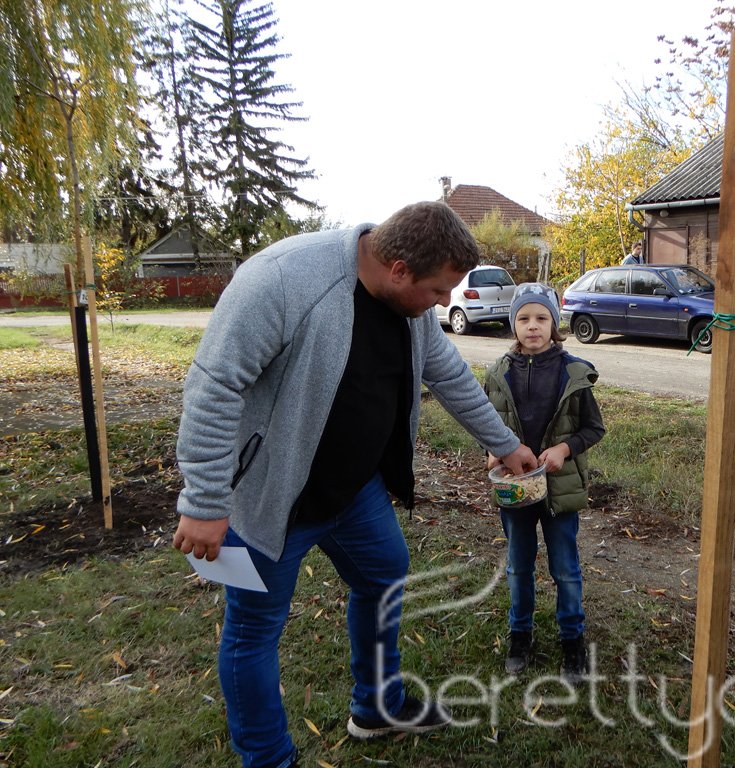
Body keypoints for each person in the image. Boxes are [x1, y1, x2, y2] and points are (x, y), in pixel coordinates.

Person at [172, 202, 538, 768]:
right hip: (272, 495)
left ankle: (376, 707)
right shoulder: (282, 280)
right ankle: (268, 759)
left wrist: (504, 443)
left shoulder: (411, 306)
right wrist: (204, 500)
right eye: (438, 290)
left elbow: (447, 373)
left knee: (384, 578)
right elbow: (214, 386)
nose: (445, 301)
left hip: (355, 489)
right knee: (254, 630)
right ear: (398, 269)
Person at [482, 282, 606, 682]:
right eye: (523, 318)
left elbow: (594, 428)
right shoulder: (498, 373)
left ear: (554, 324)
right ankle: (520, 635)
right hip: (515, 488)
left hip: (559, 489)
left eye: (541, 318)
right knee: (518, 566)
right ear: (512, 324)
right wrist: (491, 450)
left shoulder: (573, 373)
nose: (532, 326)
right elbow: (485, 424)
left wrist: (564, 449)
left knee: (565, 568)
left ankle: (572, 640)